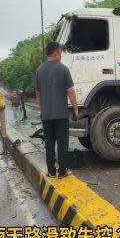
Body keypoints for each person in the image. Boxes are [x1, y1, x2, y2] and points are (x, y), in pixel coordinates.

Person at [35, 42, 78, 178]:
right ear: (56, 53)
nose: (61, 56)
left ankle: (51, 171)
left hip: (46, 116)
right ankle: (62, 172)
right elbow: (70, 91)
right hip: (61, 116)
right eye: (60, 53)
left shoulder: (39, 70)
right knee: (62, 144)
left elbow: (38, 95)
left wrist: (43, 109)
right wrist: (76, 109)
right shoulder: (63, 69)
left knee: (49, 144)